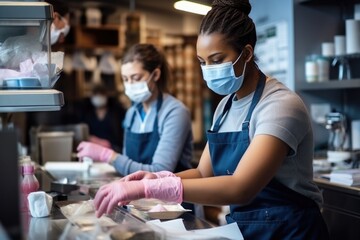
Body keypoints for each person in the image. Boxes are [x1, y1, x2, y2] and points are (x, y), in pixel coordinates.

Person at [92, 1, 330, 239]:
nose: (208, 69)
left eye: (217, 60)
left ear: (246, 53)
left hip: (291, 231)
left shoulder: (279, 105)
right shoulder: (225, 107)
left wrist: (150, 189)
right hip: (246, 229)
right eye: (202, 62)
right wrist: (158, 178)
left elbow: (241, 187)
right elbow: (204, 173)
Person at [76, 43, 193, 176]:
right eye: (125, 79)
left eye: (136, 78)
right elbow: (127, 165)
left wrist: (107, 155)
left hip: (170, 195)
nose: (130, 85)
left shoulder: (175, 112)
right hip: (139, 192)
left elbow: (160, 172)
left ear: (155, 74)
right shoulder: (132, 114)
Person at [77, 83, 126, 152]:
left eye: (101, 94)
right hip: (92, 149)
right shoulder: (87, 114)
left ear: (106, 96)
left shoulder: (117, 112)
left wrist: (109, 144)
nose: (98, 97)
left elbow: (121, 134)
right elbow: (84, 133)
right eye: (95, 94)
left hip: (114, 149)